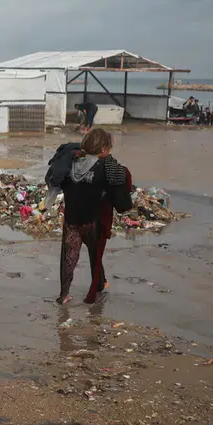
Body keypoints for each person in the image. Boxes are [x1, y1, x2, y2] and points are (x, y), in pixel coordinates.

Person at [58, 128, 133, 305]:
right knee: (96, 255)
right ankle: (94, 293)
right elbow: (120, 197)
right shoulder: (107, 167)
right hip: (93, 221)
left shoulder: (70, 162)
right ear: (103, 148)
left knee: (68, 258)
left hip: (71, 219)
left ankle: (64, 295)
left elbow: (60, 184)